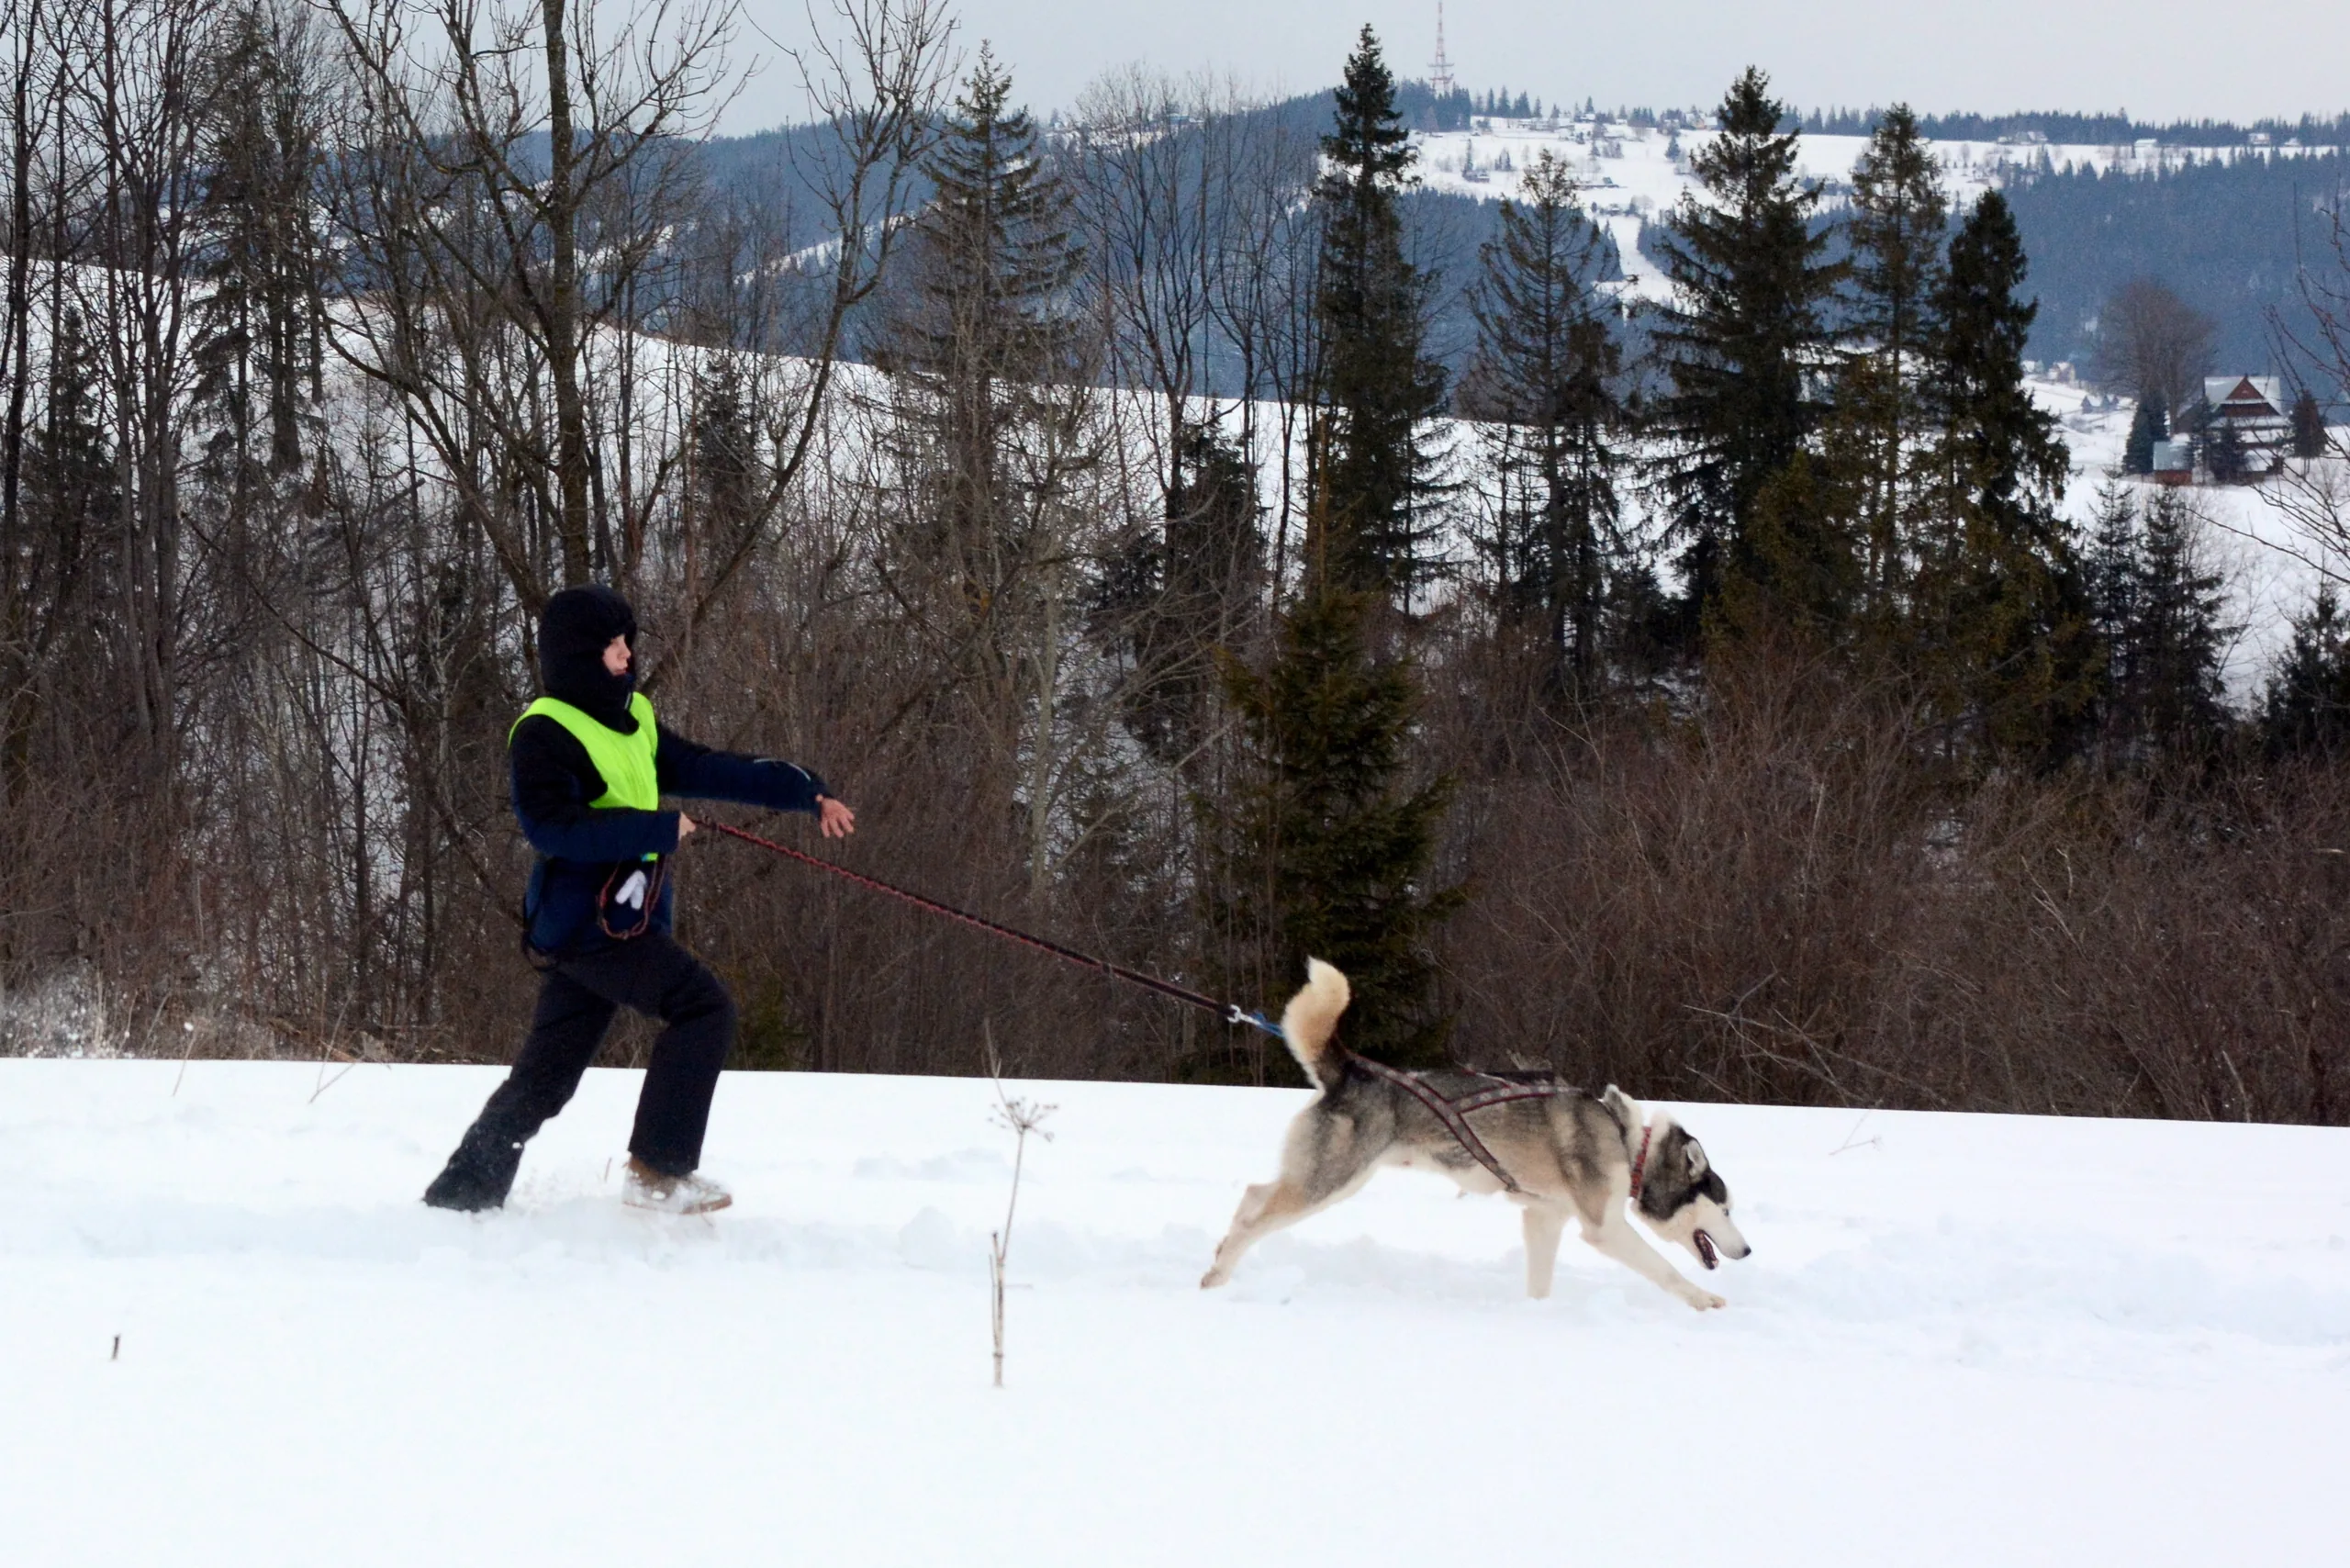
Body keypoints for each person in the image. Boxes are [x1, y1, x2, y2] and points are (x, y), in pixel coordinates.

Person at [423, 585, 854, 1215]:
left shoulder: (635, 718)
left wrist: (805, 792)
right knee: (702, 1008)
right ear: (578, 656)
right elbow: (552, 828)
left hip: (621, 923)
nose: (627, 656)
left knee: (544, 1081)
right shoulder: (543, 732)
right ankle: (658, 1170)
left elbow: (705, 767)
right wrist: (653, 828)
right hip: (587, 928)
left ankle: (459, 1198)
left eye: (628, 642)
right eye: (614, 646)